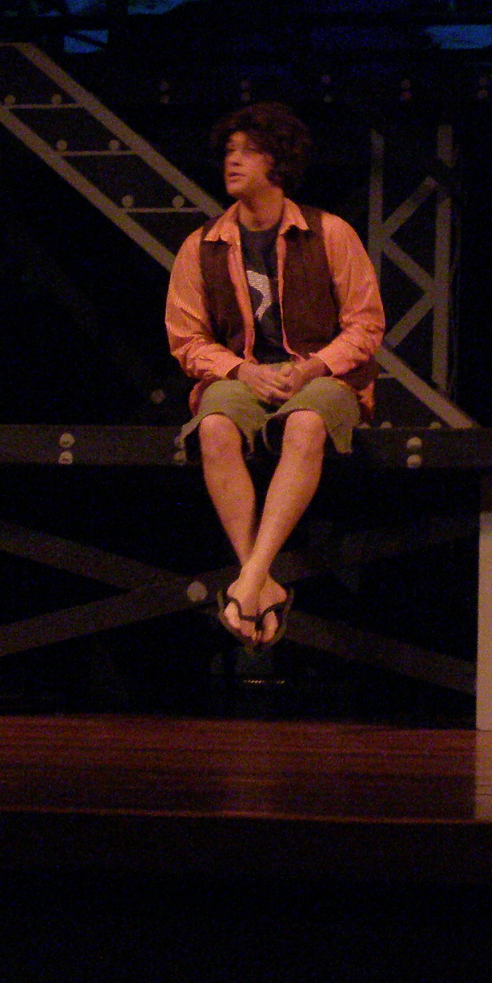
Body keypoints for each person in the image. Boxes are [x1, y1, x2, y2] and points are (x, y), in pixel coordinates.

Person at [165, 103, 384, 649]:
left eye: (249, 151)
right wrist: (241, 370)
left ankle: (249, 583)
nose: (233, 161)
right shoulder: (202, 246)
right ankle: (258, 582)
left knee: (306, 422)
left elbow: (365, 325)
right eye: (229, 151)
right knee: (214, 426)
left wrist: (312, 367)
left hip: (322, 376)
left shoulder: (329, 233)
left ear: (278, 163)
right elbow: (186, 339)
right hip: (246, 377)